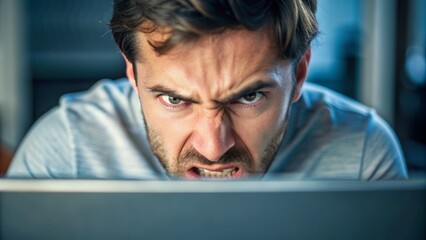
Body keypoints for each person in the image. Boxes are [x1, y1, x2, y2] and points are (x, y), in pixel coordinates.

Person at [7, 0, 407, 180]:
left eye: (249, 97)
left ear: (300, 74)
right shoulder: (66, 152)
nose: (214, 149)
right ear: (132, 73)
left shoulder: (362, 156)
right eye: (175, 99)